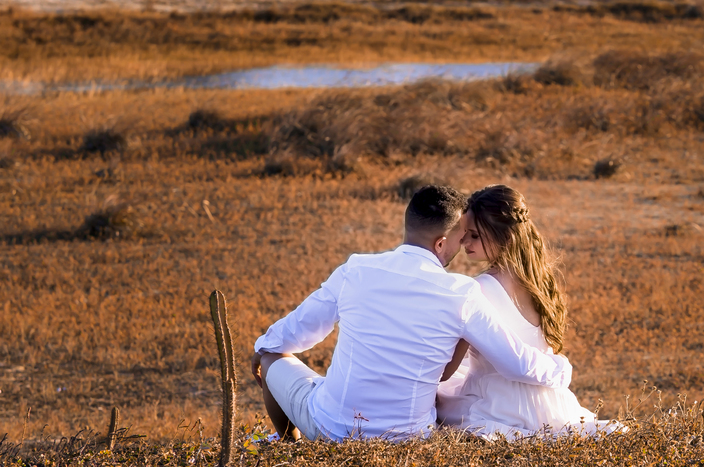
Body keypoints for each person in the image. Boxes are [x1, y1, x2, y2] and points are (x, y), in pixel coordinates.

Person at [250, 184, 573, 442]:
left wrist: (262, 349)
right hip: (411, 437)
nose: (463, 247)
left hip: (333, 430)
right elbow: (515, 362)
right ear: (441, 243)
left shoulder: (355, 270)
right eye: (462, 239)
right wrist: (560, 369)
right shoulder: (461, 292)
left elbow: (294, 335)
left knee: (271, 357)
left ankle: (286, 443)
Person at [437, 184, 623, 440]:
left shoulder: (477, 289)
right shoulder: (542, 283)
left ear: (505, 237)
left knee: (442, 394)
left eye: (475, 235)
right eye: (464, 234)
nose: (464, 242)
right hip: (548, 403)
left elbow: (448, 368)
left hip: (497, 403)